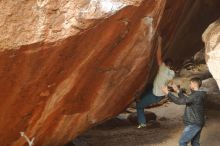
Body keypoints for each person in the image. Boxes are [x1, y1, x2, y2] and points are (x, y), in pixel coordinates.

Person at [136, 36, 175, 128]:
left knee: (139, 106)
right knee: (148, 86)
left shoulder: (162, 68)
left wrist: (159, 42)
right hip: (160, 94)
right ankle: (140, 98)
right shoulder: (172, 73)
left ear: (164, 64)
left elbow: (158, 55)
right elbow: (170, 82)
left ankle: (142, 123)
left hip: (155, 95)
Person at [162, 77, 206, 146]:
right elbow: (187, 100)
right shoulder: (198, 94)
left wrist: (168, 93)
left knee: (182, 142)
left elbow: (179, 101)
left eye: (190, 83)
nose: (189, 85)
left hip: (193, 123)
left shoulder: (196, 95)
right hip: (198, 122)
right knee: (195, 143)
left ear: (194, 84)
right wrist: (177, 91)